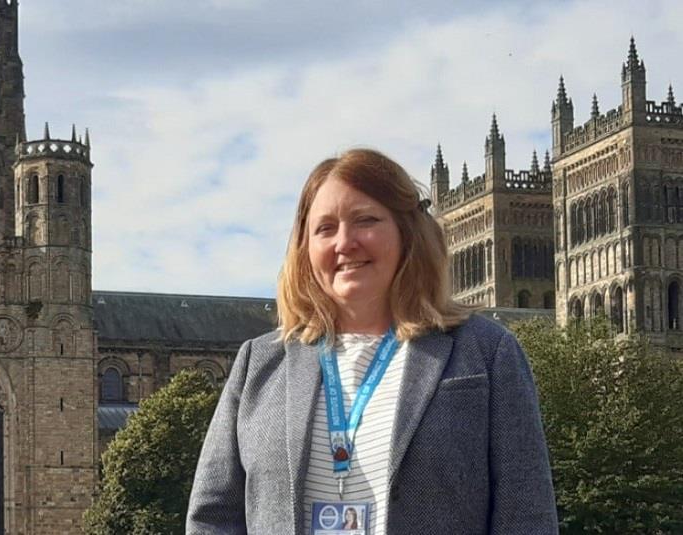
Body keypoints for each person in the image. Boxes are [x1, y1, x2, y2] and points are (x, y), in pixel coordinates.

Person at [186, 148, 557, 534]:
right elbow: (213, 517)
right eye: (325, 228)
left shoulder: (485, 352)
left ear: (407, 233)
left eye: (366, 221)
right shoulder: (259, 363)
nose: (345, 243)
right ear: (305, 247)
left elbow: (526, 514)